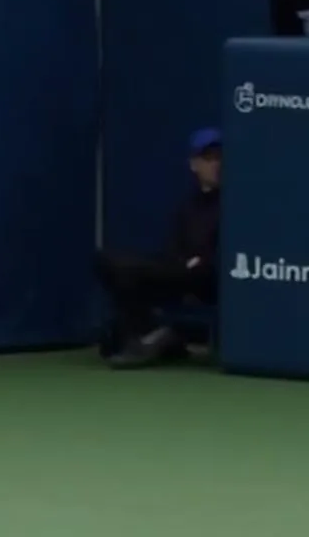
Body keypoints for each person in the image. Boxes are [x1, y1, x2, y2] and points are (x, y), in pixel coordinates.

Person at [95, 127, 223, 369]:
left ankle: (142, 338)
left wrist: (201, 261)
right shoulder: (188, 206)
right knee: (107, 263)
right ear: (194, 165)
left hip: (206, 277)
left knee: (127, 272)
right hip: (179, 272)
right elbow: (174, 247)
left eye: (219, 158)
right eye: (208, 158)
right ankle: (152, 334)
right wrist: (180, 262)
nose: (215, 164)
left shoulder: (231, 204)